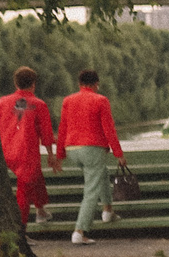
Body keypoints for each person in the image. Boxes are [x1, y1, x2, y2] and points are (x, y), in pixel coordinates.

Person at [53, 68, 129, 244]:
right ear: (96, 84)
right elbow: (109, 129)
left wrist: (59, 154)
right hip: (92, 149)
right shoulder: (100, 100)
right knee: (91, 190)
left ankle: (108, 211)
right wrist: (119, 154)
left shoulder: (68, 100)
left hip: (72, 149)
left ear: (79, 84)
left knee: (101, 173)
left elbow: (62, 127)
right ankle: (80, 231)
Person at [0, 66, 54, 226]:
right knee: (24, 194)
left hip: (5, 150)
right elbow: (46, 133)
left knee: (36, 177)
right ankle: (21, 232)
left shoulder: (2, 102)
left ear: (16, 83)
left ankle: (41, 211)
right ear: (33, 84)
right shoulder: (38, 104)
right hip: (25, 152)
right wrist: (50, 154)